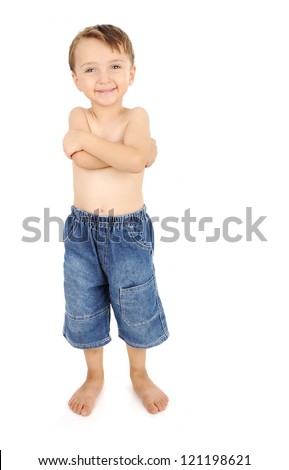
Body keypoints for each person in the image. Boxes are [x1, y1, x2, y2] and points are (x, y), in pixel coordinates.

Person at [62, 24, 169, 416]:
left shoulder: (136, 116)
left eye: (114, 65)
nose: (103, 78)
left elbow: (109, 157)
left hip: (128, 231)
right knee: (83, 301)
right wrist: (134, 155)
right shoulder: (79, 113)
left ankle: (139, 374)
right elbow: (112, 160)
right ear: (76, 79)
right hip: (81, 231)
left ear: (132, 73)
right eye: (90, 69)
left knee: (135, 300)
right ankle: (94, 376)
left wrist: (95, 145)